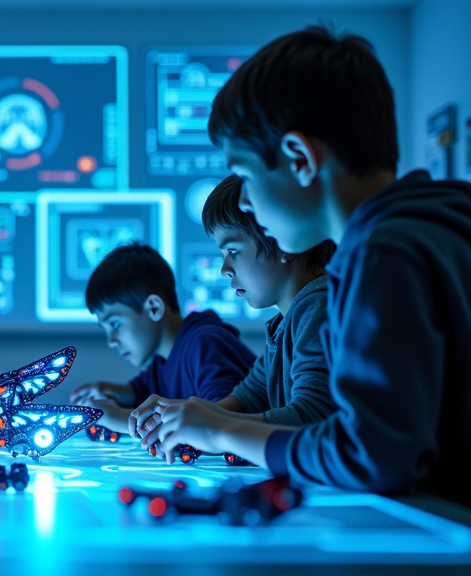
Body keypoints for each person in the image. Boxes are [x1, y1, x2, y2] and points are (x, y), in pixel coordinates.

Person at [141, 26, 471, 508]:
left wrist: (224, 434)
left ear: (299, 159)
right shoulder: (437, 222)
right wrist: (211, 421)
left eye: (249, 177)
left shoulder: (382, 252)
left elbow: (369, 453)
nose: (248, 203)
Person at [131, 174, 337, 452]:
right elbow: (247, 398)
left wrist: (212, 428)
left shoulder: (319, 308)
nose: (225, 269)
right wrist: (184, 414)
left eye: (233, 250)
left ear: (283, 240)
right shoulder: (284, 323)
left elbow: (312, 418)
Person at [69, 242, 255, 435]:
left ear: (154, 308)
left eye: (115, 324)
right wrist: (105, 391)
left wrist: (119, 419)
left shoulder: (206, 344)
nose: (112, 341)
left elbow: (220, 421)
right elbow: (138, 391)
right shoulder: (164, 358)